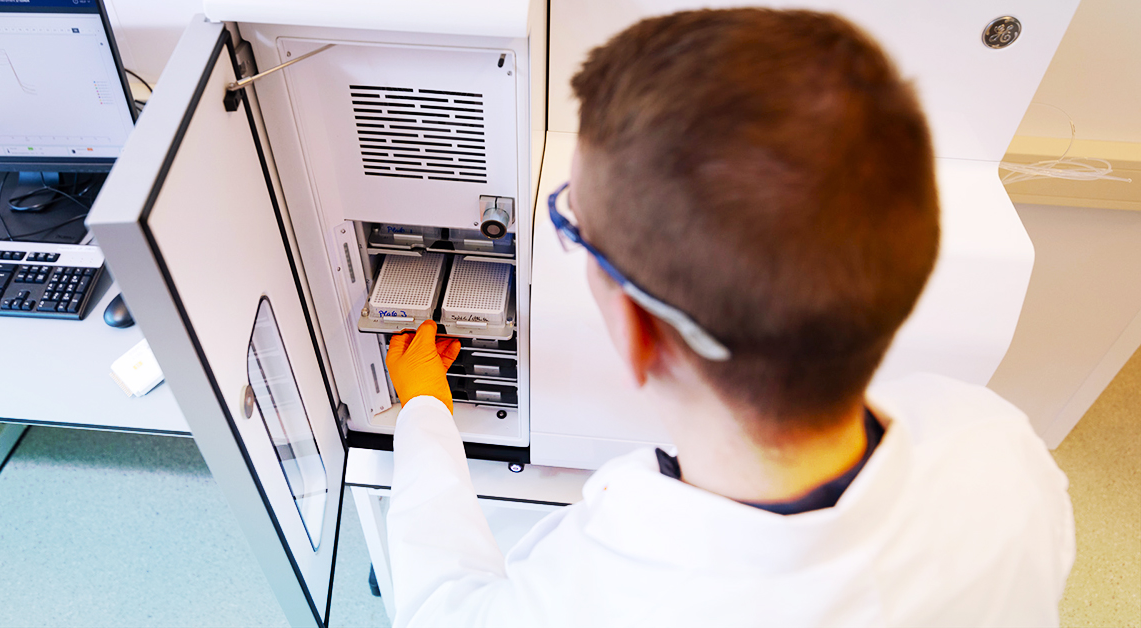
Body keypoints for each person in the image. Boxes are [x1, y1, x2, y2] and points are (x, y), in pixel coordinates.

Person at [383, 8, 1075, 627]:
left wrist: (423, 411)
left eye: (573, 224)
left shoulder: (586, 604)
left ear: (636, 330)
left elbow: (439, 606)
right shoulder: (996, 445)